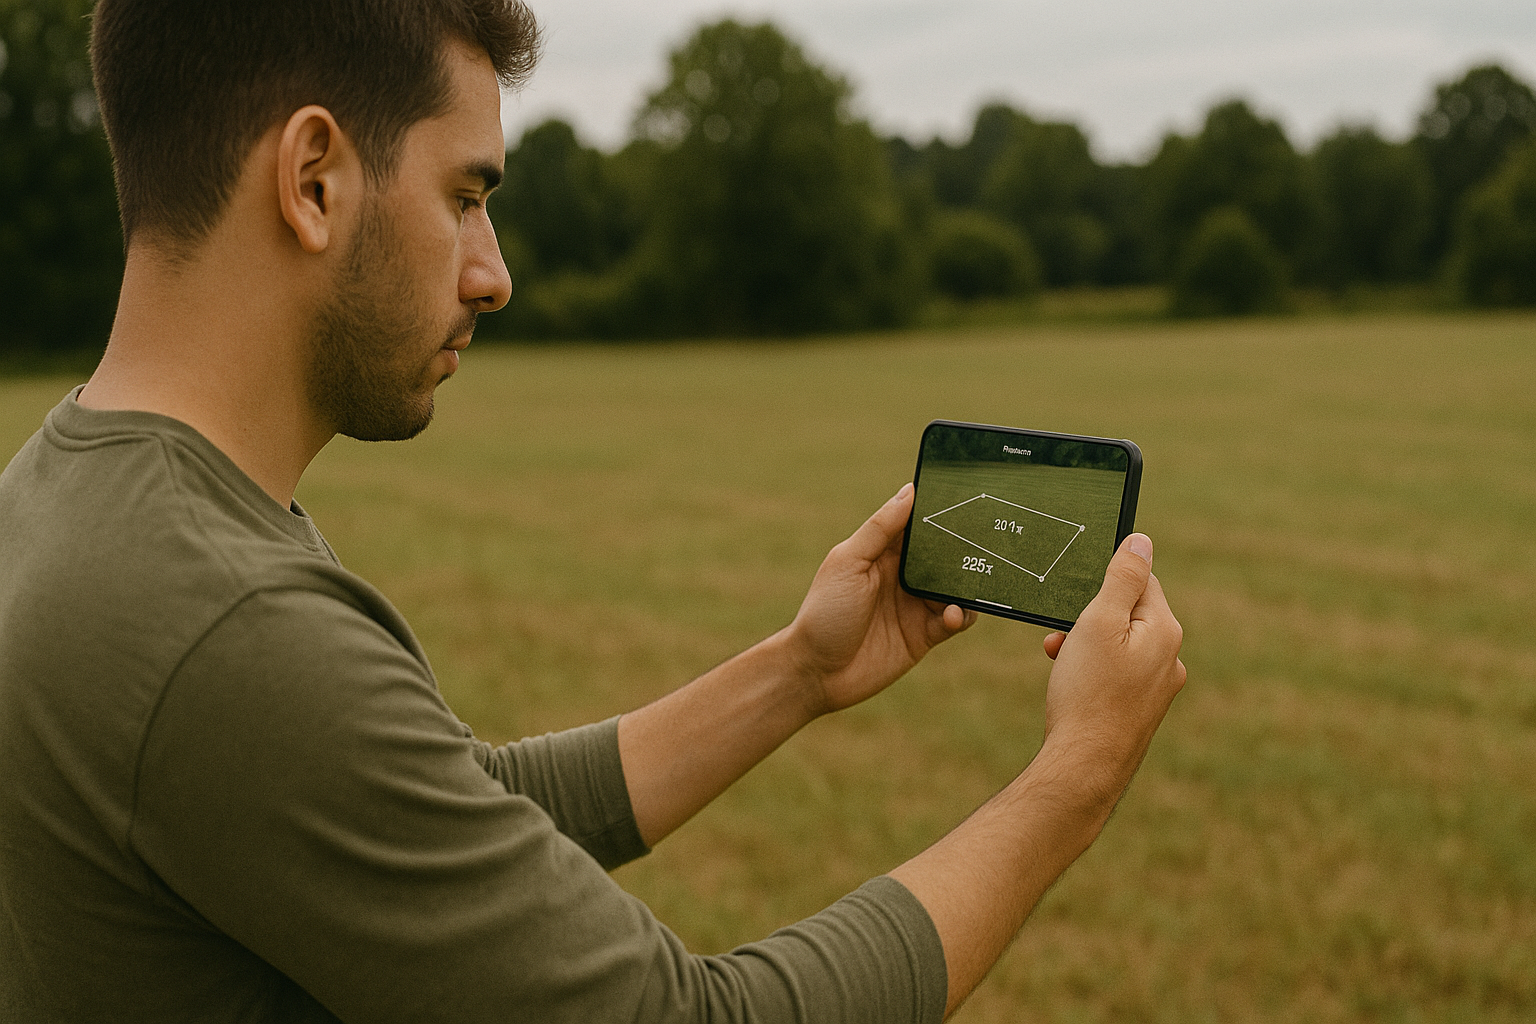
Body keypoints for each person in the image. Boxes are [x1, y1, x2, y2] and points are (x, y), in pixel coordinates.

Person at [0, 0, 1186, 1020]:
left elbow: (438, 819)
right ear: (314, 180)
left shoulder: (64, 497)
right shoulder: (225, 622)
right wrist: (1076, 771)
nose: (493, 270)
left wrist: (797, 675)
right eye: (467, 195)